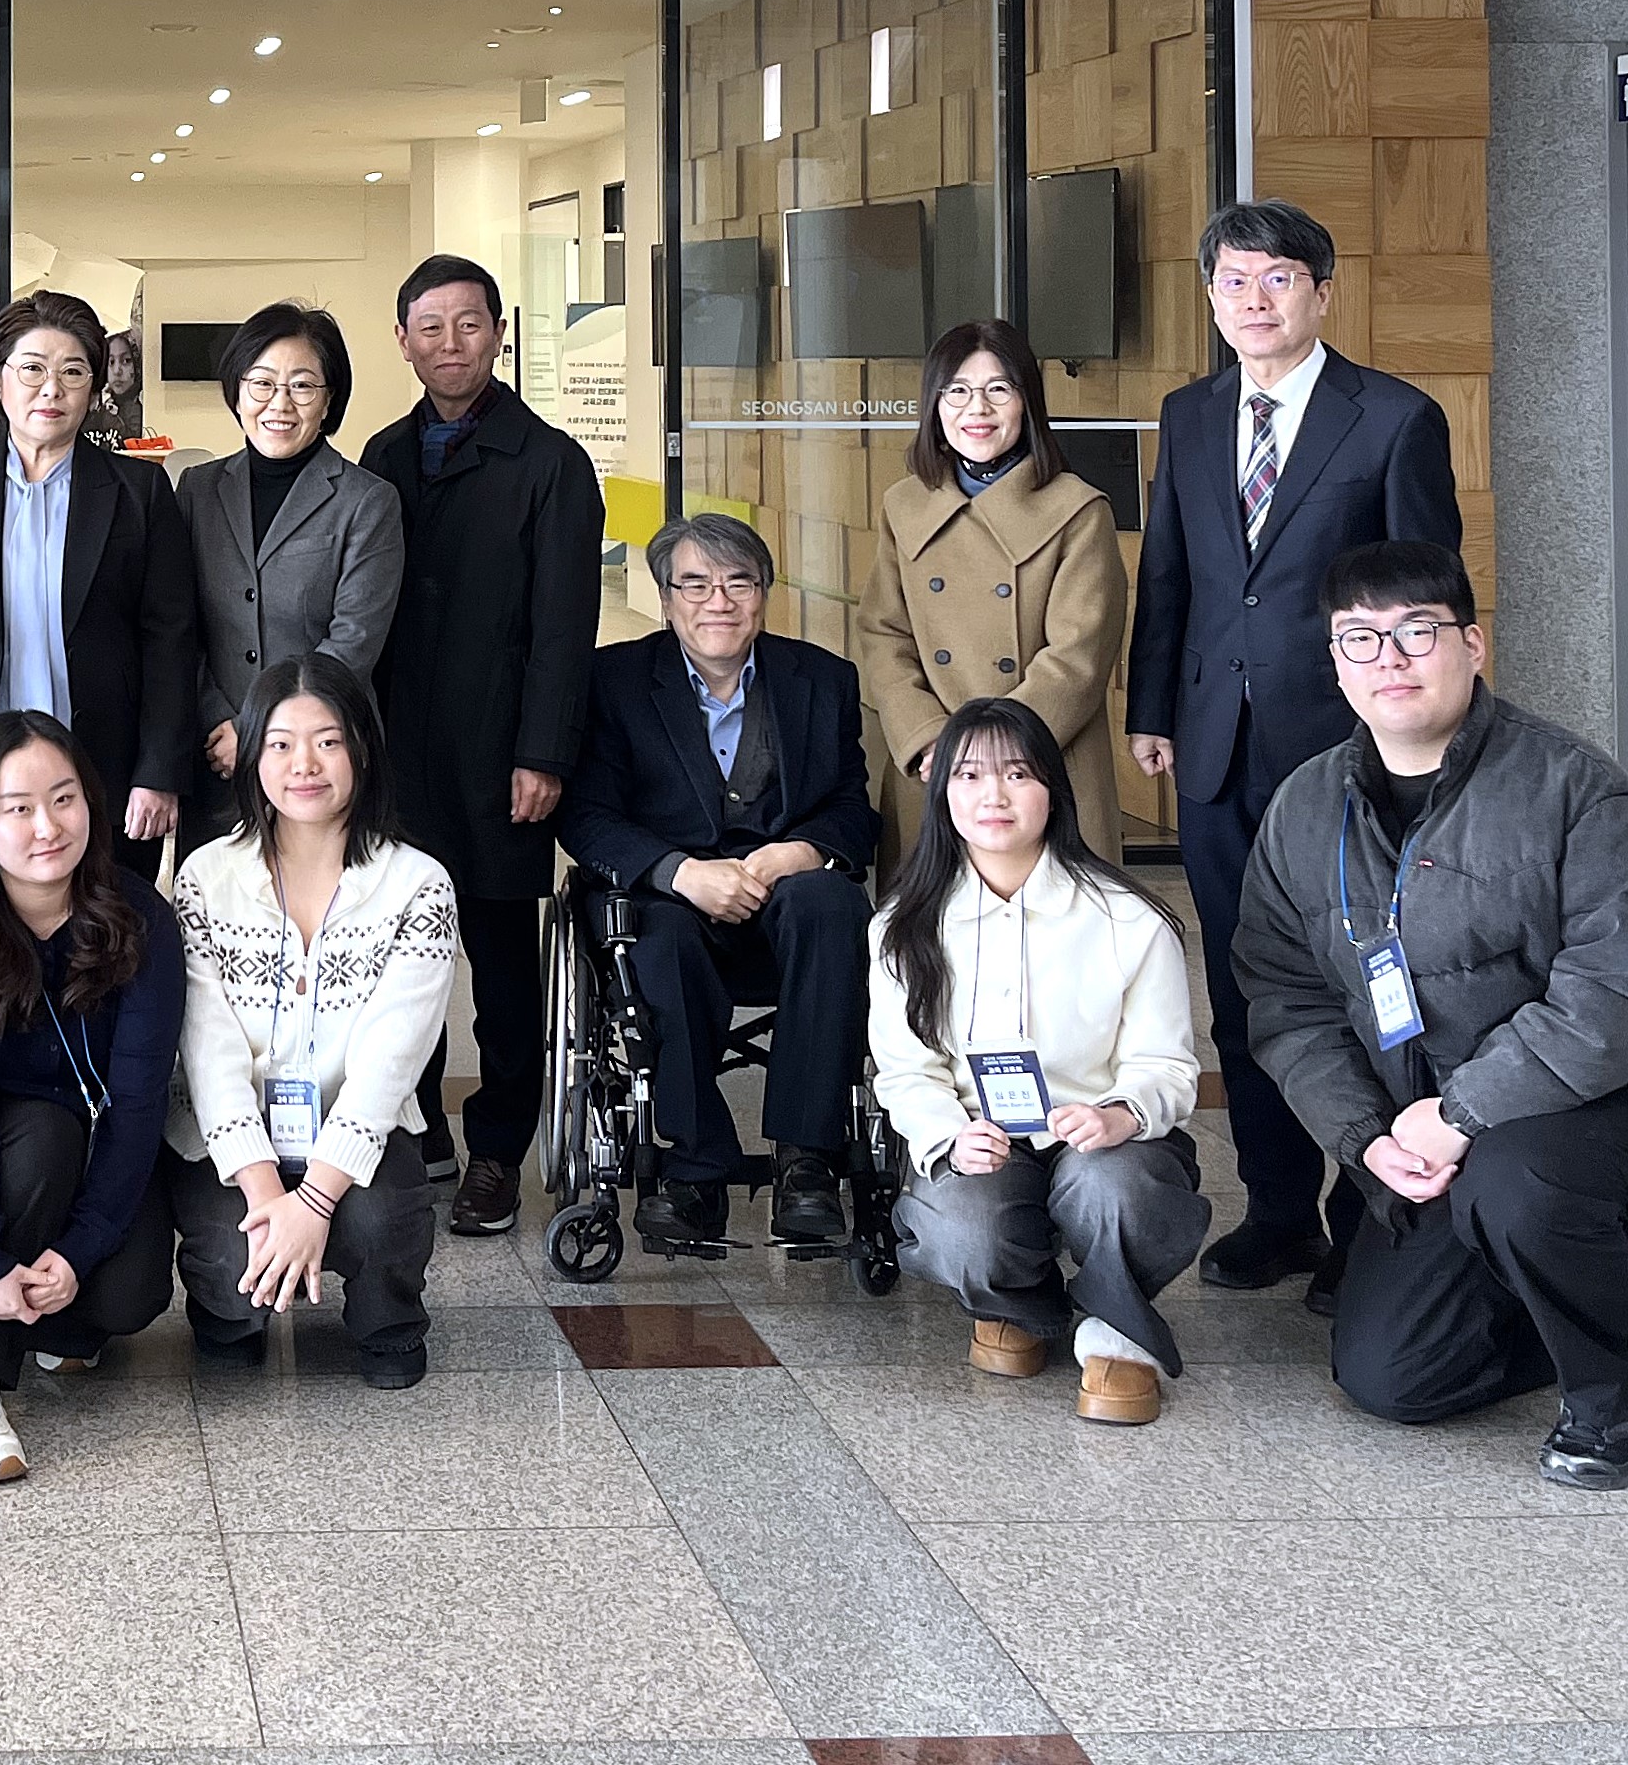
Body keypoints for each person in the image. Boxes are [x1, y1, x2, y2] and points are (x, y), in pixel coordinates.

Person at [1236, 543, 1628, 1491]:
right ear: (1336, 663)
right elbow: (1287, 999)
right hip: (1430, 1131)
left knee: (1519, 1187)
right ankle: (1552, 1298)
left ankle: (1614, 1392)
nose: (1390, 658)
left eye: (1417, 631)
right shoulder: (1305, 807)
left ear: (1472, 646)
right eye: (1360, 638)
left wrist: (1463, 1112)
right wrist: (1365, 1137)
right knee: (1391, 1377)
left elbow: (1627, 992)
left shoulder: (1573, 786)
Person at [1125, 199, 1466, 1299]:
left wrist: (1415, 733)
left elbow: (1428, 589)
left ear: (1321, 291)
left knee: (1367, 984)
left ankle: (1368, 1216)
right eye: (1233, 281)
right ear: (1211, 296)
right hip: (1215, 746)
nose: (1254, 300)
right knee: (1246, 989)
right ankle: (1278, 1213)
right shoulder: (1187, 414)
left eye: (1278, 279)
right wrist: (1153, 708)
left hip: (1348, 751)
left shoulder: (1393, 417)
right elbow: (1169, 571)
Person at [870, 697, 1208, 1427]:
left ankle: (1117, 1326)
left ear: (1054, 790)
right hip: (985, 1143)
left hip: (1105, 1145)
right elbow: (905, 1070)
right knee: (961, 1231)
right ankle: (1025, 1303)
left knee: (1117, 1192)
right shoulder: (903, 926)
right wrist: (948, 1137)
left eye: (1018, 774)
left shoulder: (1128, 917)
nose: (993, 795)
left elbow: (1168, 1064)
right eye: (969, 775)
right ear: (942, 792)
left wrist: (1120, 1114)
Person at [557, 514, 881, 1256]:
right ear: (666, 599)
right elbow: (588, 815)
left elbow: (852, 808)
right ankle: (693, 1170)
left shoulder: (822, 679)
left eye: (739, 583)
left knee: (832, 905)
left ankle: (807, 1161)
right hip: (668, 895)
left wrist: (797, 852)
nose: (719, 602)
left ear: (764, 593)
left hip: (784, 902)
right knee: (655, 935)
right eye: (696, 585)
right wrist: (680, 872)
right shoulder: (615, 681)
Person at [360, 253, 602, 1238]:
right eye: (430, 326)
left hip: (502, 752)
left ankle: (499, 1150)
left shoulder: (550, 462)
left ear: (500, 334)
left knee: (500, 965)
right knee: (396, 949)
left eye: (469, 324)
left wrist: (544, 754)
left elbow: (565, 629)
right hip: (395, 751)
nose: (450, 343)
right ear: (403, 340)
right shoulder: (382, 453)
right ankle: (417, 1129)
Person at [0, 712, 186, 1486]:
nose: (47, 827)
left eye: (64, 799)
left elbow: (137, 1102)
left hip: (98, 1140)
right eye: (18, 808)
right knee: (46, 1132)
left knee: (130, 1296)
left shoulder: (140, 919)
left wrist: (76, 1253)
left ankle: (43, 1314)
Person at [169, 654, 454, 1387]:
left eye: (328, 741)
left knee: (378, 1221)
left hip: (357, 1126)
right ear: (253, 756)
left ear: (363, 750)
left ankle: (389, 1323)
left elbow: (390, 1064)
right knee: (233, 1255)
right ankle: (229, 1315)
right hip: (233, 1138)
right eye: (281, 744)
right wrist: (270, 1197)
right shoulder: (205, 877)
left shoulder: (418, 884)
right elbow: (207, 1050)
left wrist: (317, 1200)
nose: (305, 765)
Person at [0, 291, 198, 874]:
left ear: (94, 388)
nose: (51, 390)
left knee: (106, 922)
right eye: (32, 369)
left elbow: (170, 640)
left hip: (106, 772)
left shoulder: (139, 493)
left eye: (73, 372)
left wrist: (159, 773)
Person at [855, 320, 1130, 867]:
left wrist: (992, 753)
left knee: (1050, 915)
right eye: (956, 391)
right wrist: (928, 737)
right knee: (934, 914)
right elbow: (883, 634)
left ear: (1027, 402)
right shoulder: (903, 505)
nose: (976, 409)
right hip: (934, 764)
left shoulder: (1078, 509)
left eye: (998, 389)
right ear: (935, 405)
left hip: (1042, 759)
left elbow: (1079, 655)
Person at [178, 303, 404, 846]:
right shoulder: (197, 489)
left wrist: (261, 734)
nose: (279, 403)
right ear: (237, 392)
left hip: (322, 761)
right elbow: (177, 625)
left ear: (329, 401)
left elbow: (353, 640)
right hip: (216, 760)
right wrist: (219, 722)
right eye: (261, 383)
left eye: (302, 386)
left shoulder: (367, 501)